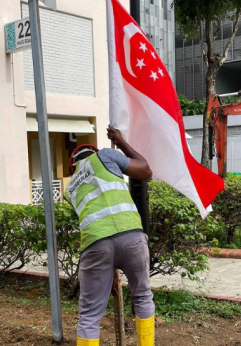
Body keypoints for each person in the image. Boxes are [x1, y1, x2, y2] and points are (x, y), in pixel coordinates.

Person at [66, 126, 155, 346]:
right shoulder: (105, 155)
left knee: (89, 314)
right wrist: (121, 141)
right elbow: (145, 170)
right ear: (93, 151)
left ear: (74, 165)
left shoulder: (70, 188)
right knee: (142, 297)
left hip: (95, 244)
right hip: (131, 236)